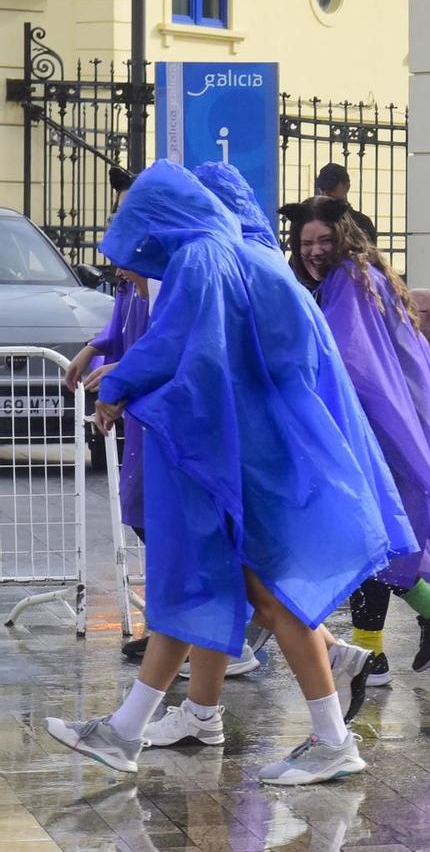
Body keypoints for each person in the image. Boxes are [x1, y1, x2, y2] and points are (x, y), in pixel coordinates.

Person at [44, 162, 405, 785]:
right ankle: (130, 729)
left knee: (258, 590)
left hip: (245, 452)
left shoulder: (206, 257)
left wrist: (123, 385)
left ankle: (328, 736)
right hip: (267, 446)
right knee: (218, 585)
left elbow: (190, 343)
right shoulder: (251, 258)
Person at [287, 195, 430, 679]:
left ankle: (382, 649)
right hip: (393, 427)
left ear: (343, 237)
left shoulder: (349, 281)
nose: (315, 250)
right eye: (306, 242)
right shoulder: (365, 278)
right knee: (377, 539)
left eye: (324, 239)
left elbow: (349, 362)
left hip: (376, 432)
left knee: (371, 538)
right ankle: (416, 625)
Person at [68, 168, 157, 664]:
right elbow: (123, 321)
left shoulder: (163, 267)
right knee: (144, 515)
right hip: (141, 409)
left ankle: (191, 632)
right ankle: (171, 629)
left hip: (159, 409)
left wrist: (124, 372)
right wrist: (95, 347)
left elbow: (169, 339)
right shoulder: (133, 264)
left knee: (157, 519)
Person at [314, 162, 377, 245]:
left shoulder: (362, 223)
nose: (325, 194)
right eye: (322, 189)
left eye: (331, 188)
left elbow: (371, 255)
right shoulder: (312, 221)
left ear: (346, 187)